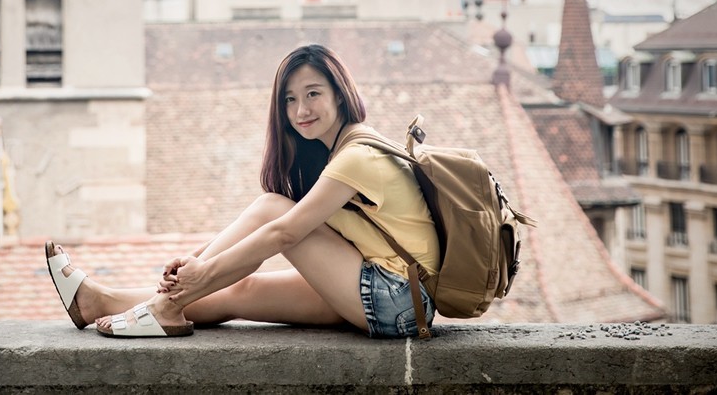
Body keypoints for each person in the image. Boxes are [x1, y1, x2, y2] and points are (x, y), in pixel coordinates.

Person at [45, 43, 439, 339]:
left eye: (313, 93)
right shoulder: (341, 150)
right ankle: (96, 301)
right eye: (290, 99)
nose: (301, 109)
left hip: (398, 298)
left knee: (272, 209)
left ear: (339, 93)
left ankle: (167, 306)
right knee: (240, 290)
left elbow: (283, 233)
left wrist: (196, 275)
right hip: (392, 295)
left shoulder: (356, 156)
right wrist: (194, 263)